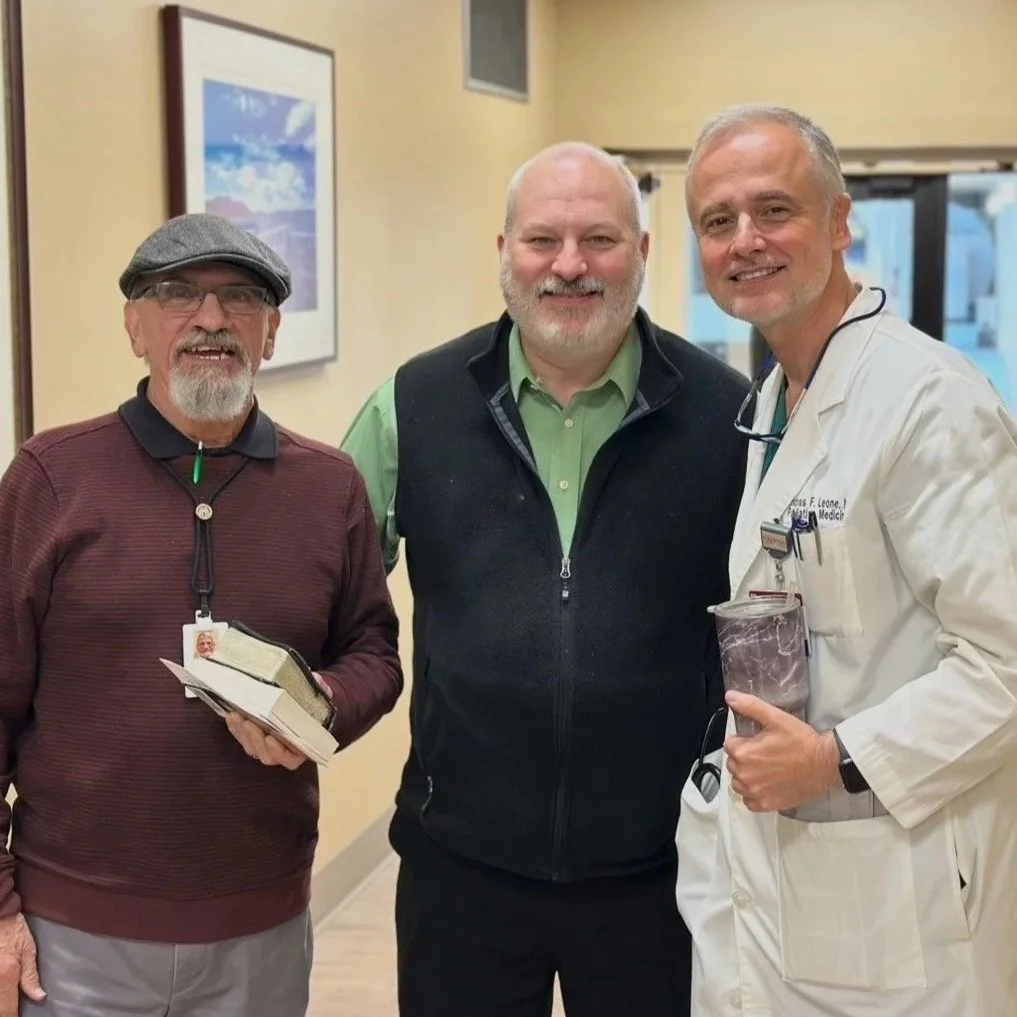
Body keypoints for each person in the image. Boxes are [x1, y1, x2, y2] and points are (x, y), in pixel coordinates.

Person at [342, 141, 750, 1017]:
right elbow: (325, 588)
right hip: (461, 867)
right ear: (503, 252)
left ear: (643, 253)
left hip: (661, 867)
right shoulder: (413, 403)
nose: (569, 265)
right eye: (542, 240)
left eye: (600, 239)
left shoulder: (728, 416)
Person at [0, 212, 403, 1017]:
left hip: (260, 926)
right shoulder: (51, 479)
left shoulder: (328, 488)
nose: (211, 319)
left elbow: (374, 651)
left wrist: (318, 705)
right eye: (177, 293)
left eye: (241, 297)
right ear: (134, 326)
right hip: (73, 931)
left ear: (272, 331)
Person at [677, 103, 1017, 1017]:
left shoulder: (928, 399)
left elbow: (1005, 665)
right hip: (796, 880)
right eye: (717, 221)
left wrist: (834, 759)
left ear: (837, 221)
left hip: (896, 891)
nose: (745, 240)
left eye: (773, 210)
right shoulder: (779, 398)